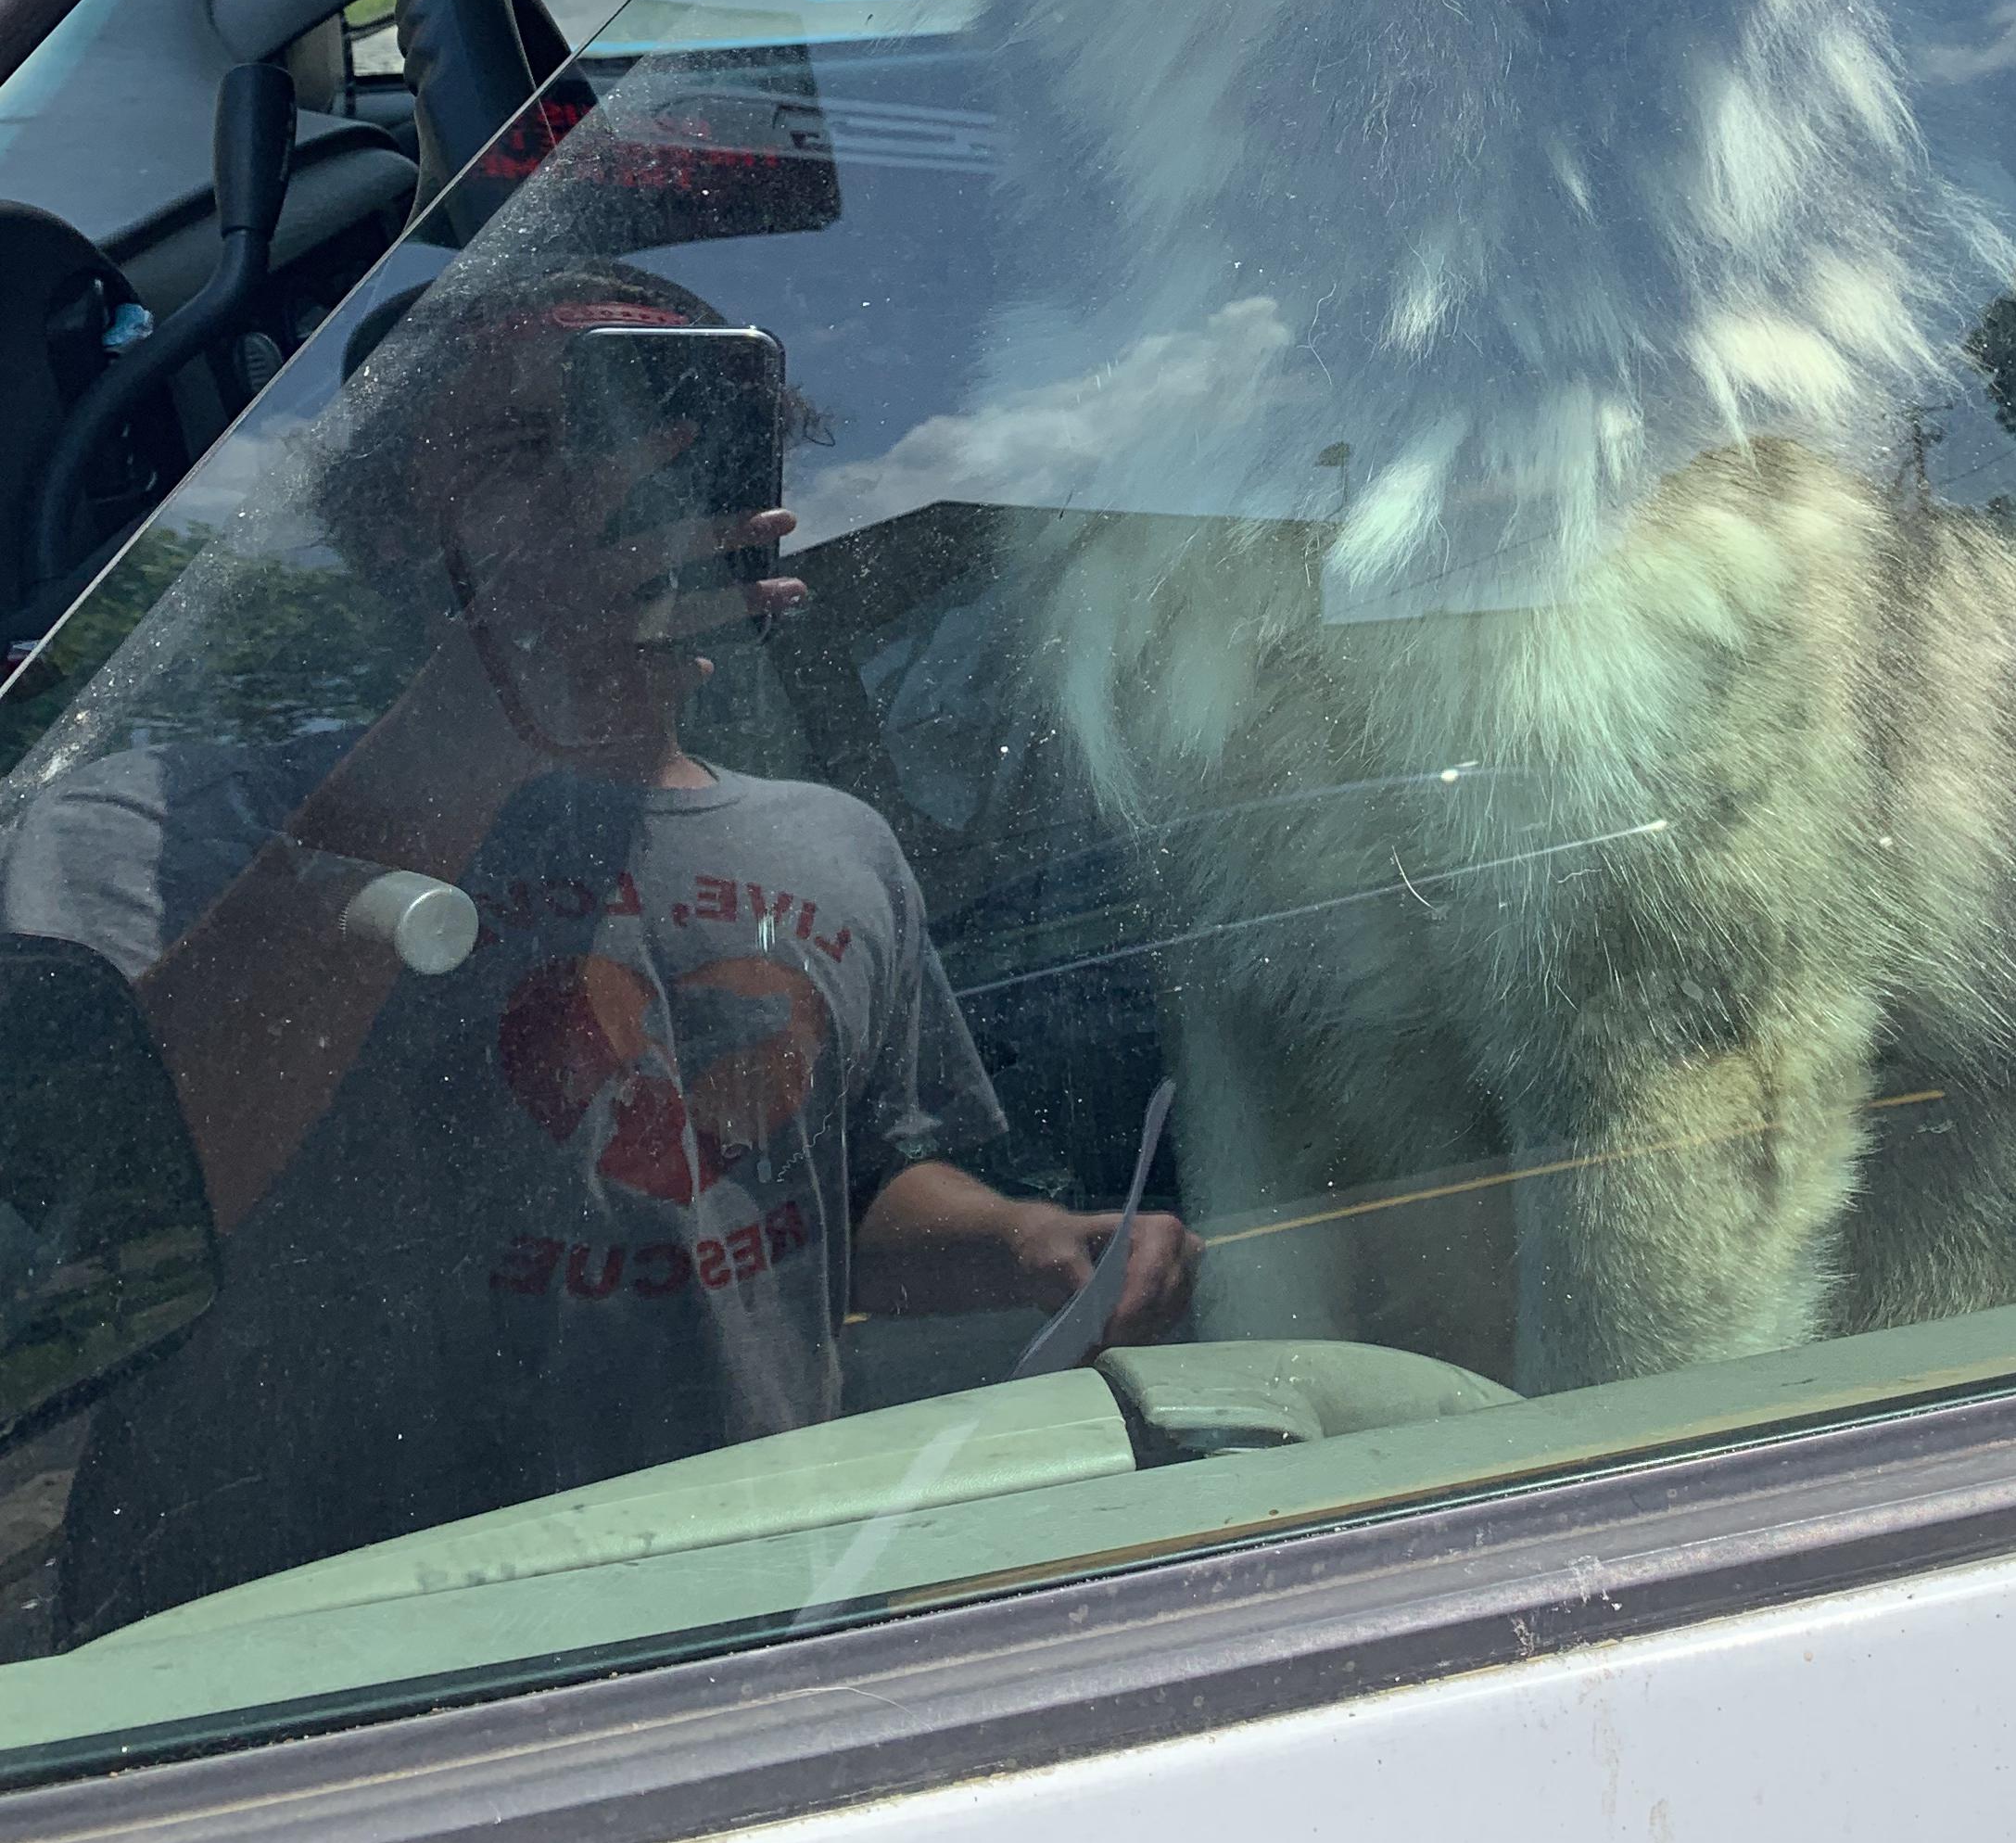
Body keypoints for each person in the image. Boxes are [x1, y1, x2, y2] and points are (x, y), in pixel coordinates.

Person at [1, 257, 1193, 1641]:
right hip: (279, 1674)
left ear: (752, 493)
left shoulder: (831, 846)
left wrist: (1018, 1241)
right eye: (524, 451)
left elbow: (803, 1192)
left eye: (651, 434)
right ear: (392, 512)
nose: (598, 488)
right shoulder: (160, 822)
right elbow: (111, 1220)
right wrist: (477, 715)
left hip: (738, 1618)